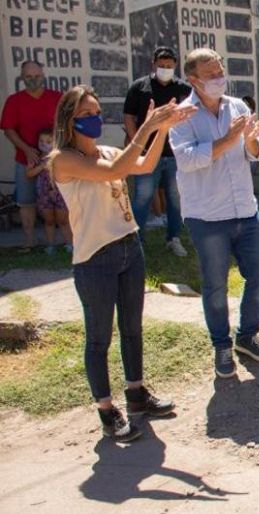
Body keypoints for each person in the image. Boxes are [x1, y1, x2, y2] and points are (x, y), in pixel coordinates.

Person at [49, 85, 192, 442]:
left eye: (96, 112)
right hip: (95, 258)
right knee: (99, 339)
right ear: (68, 120)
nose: (94, 119)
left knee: (132, 329)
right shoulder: (62, 160)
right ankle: (106, 409)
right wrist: (145, 127)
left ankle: (136, 393)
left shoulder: (110, 150)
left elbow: (143, 164)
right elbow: (113, 168)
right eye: (85, 115)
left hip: (129, 247)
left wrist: (162, 130)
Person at [169, 48, 259, 379]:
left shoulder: (237, 107)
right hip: (206, 216)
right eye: (211, 74)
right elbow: (187, 160)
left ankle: (246, 336)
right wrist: (229, 139)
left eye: (220, 71)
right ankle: (221, 345)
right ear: (193, 79)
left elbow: (256, 153)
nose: (219, 78)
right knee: (215, 285)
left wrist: (252, 142)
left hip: (245, 209)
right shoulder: (182, 116)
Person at [123, 46, 193, 257]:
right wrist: (138, 144)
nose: (165, 69)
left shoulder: (183, 89)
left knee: (175, 198)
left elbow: (192, 118)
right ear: (153, 64)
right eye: (161, 65)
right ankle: (136, 242)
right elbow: (128, 116)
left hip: (174, 155)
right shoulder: (140, 87)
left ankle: (173, 238)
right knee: (142, 197)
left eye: (169, 66)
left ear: (175, 66)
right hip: (146, 155)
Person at [1, 61, 62, 250]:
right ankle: (30, 241)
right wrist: (26, 149)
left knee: (61, 202)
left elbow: (68, 124)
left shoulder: (57, 98)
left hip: (56, 161)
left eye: (36, 76)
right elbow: (8, 129)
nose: (33, 80)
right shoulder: (14, 100)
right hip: (26, 160)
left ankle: (65, 241)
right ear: (22, 77)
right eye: (29, 77)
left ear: (43, 75)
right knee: (26, 202)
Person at [26, 130, 72, 253]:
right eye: (41, 141)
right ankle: (51, 245)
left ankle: (70, 244)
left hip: (60, 193)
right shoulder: (36, 158)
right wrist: (41, 166)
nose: (43, 144)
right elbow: (29, 174)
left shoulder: (61, 157)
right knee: (49, 221)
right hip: (43, 194)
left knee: (63, 221)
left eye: (48, 141)